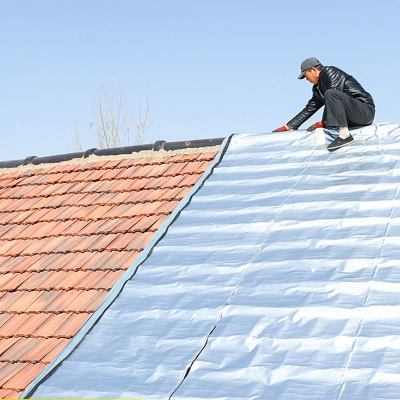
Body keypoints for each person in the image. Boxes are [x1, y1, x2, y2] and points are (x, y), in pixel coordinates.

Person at [272, 57, 375, 151]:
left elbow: (334, 94)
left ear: (314, 70)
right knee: (329, 94)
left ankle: (345, 135)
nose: (307, 80)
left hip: (364, 110)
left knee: (331, 93)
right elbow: (309, 108)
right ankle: (341, 131)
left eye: (306, 76)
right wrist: (288, 127)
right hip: (351, 117)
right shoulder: (317, 89)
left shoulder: (330, 72)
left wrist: (324, 122)